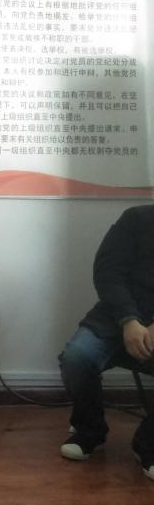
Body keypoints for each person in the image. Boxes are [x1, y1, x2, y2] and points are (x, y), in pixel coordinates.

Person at [58, 204, 154, 480]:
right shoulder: (137, 218)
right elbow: (108, 272)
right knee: (77, 357)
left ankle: (148, 444)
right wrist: (129, 320)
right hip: (116, 318)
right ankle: (89, 430)